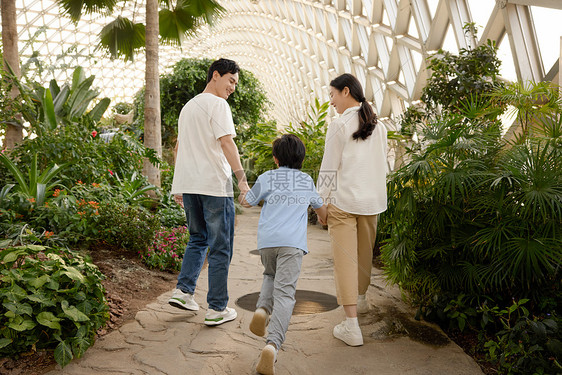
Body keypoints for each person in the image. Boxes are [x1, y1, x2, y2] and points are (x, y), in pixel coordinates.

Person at [168, 58, 250, 326]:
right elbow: (227, 143)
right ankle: (216, 308)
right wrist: (242, 180)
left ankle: (183, 291)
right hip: (214, 185)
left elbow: (178, 149)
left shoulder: (187, 107)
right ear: (216, 75)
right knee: (220, 248)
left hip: (190, 185)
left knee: (197, 239)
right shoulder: (218, 104)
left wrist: (177, 186)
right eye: (231, 80)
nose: (233, 88)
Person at [239, 134, 327, 375]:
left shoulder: (267, 177)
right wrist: (322, 215)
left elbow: (247, 202)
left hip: (267, 242)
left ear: (276, 159)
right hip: (292, 244)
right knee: (286, 294)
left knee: (269, 275)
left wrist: (242, 189)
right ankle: (273, 344)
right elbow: (323, 212)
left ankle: (262, 310)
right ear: (301, 158)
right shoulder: (305, 180)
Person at [317, 73, 388, 346]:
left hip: (344, 203)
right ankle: (361, 300)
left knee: (345, 261)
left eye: (332, 94)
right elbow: (382, 165)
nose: (331, 100)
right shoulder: (377, 125)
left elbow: (328, 168)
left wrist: (320, 205)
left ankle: (351, 325)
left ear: (346, 91)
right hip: (371, 203)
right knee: (364, 254)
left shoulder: (339, 124)